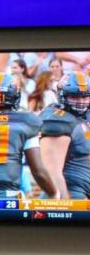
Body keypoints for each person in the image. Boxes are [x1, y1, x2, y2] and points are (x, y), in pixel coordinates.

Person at [39, 71, 90, 200]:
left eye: (85, 97)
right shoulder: (59, 120)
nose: (81, 102)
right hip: (72, 193)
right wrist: (66, 206)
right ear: (62, 96)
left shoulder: (84, 117)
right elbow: (52, 171)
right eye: (74, 97)